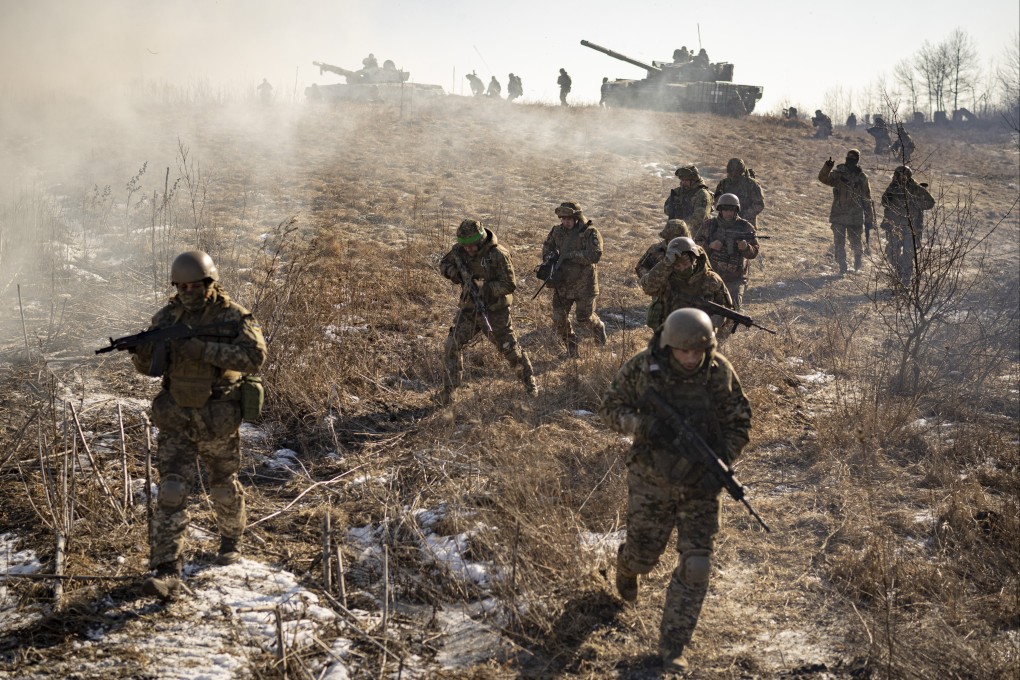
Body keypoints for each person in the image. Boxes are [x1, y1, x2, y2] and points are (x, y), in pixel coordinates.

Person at [599, 307, 752, 672]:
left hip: (701, 485)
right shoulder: (644, 368)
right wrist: (643, 425)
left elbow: (739, 422)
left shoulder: (720, 374)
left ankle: (672, 645)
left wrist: (720, 465)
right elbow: (610, 407)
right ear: (669, 347)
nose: (690, 358)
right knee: (643, 557)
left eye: (697, 351)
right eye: (683, 352)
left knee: (697, 565)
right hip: (652, 480)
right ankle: (626, 567)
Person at [129, 251, 267, 599]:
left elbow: (255, 358)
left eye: (195, 285)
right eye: (181, 286)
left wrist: (200, 349)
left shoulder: (233, 316)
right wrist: (144, 352)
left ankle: (231, 538)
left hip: (218, 417)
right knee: (172, 491)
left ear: (210, 282)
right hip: (176, 416)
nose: (188, 291)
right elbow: (149, 370)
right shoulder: (166, 317)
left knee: (222, 487)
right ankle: (166, 570)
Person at [436, 219, 537, 405]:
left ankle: (530, 385)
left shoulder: (498, 254)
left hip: (494, 312)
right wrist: (455, 273)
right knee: (451, 345)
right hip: (469, 310)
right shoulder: (459, 250)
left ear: (481, 239)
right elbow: (443, 264)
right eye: (466, 246)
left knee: (509, 350)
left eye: (473, 246)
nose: (469, 250)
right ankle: (449, 393)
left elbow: (509, 284)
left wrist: (484, 288)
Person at [541, 201, 606, 356]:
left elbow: (594, 255)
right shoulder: (557, 231)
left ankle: (598, 327)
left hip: (585, 284)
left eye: (568, 219)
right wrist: (550, 258)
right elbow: (547, 246)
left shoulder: (590, 232)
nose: (565, 222)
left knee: (584, 318)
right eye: (562, 219)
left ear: (577, 218)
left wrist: (570, 256)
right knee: (558, 319)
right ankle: (572, 346)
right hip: (563, 283)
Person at [640, 236, 733, 331]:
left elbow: (729, 310)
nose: (682, 269)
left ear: (694, 260)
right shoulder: (665, 276)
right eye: (677, 266)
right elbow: (648, 288)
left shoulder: (711, 280)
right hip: (668, 333)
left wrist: (721, 320)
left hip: (701, 336)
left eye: (685, 264)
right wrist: (665, 263)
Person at [696, 194, 760, 310]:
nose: (728, 213)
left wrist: (746, 247)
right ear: (720, 210)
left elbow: (754, 252)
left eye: (731, 210)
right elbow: (695, 248)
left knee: (733, 311)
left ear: (736, 210)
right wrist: (709, 246)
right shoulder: (709, 225)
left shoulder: (745, 227)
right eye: (725, 210)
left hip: (735, 279)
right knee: (706, 309)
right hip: (711, 276)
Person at [817, 149, 875, 276]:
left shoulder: (862, 178)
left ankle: (857, 263)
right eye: (848, 157)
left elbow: (867, 199)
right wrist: (827, 167)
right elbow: (823, 178)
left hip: (855, 216)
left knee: (855, 242)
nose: (850, 159)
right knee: (839, 242)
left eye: (853, 157)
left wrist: (869, 219)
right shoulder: (838, 174)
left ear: (857, 160)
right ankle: (842, 267)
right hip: (839, 214)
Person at [881, 166, 935, 287]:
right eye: (898, 176)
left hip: (911, 228)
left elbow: (930, 202)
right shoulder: (892, 187)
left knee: (908, 255)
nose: (900, 178)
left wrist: (915, 202)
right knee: (891, 252)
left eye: (903, 176)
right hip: (895, 226)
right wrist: (888, 197)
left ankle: (905, 282)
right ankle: (900, 273)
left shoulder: (916, 188)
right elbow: (884, 202)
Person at [664, 165, 714, 240]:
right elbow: (666, 207)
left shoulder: (702, 194)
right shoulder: (677, 192)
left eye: (686, 180)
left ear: (694, 180)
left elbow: (700, 217)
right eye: (682, 180)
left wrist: (680, 224)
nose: (683, 183)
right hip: (678, 233)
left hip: (697, 235)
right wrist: (673, 210)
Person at [713, 158, 766, 226]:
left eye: (736, 172)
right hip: (725, 224)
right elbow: (716, 202)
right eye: (731, 172)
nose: (733, 175)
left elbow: (759, 205)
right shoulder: (723, 184)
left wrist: (743, 216)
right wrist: (726, 214)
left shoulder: (751, 184)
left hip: (746, 225)